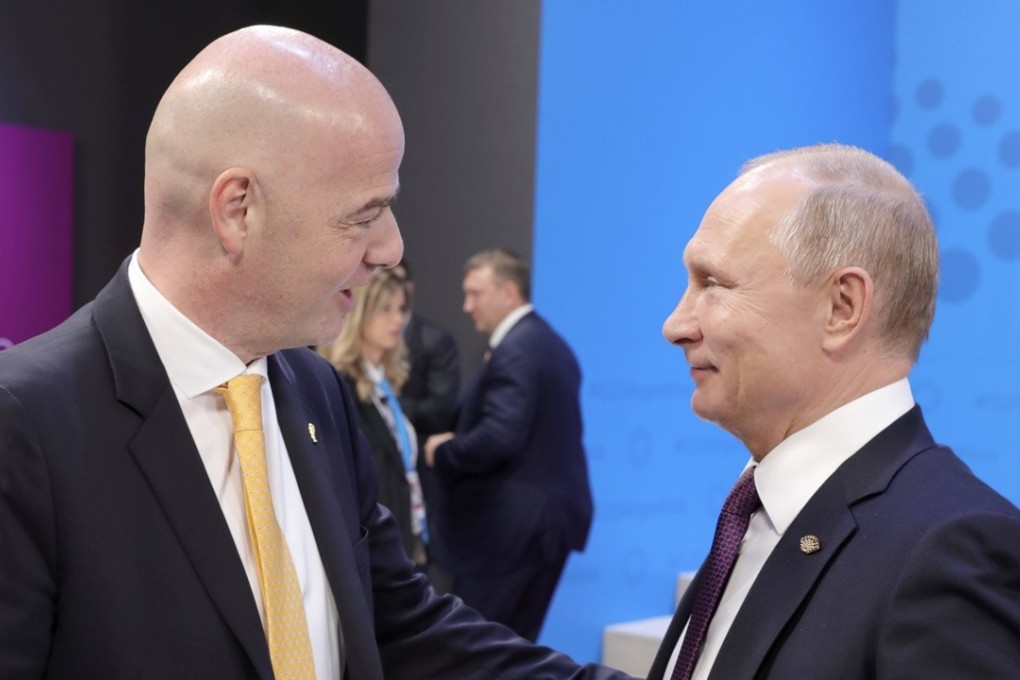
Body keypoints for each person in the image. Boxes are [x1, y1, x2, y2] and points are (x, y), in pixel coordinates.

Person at [0, 26, 635, 680]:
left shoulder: (314, 390)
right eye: (363, 216)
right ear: (238, 210)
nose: (390, 248)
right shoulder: (27, 423)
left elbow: (400, 625)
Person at [648, 143, 1020, 679]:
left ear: (842, 307)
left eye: (713, 284)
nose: (676, 325)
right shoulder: (761, 508)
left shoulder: (952, 550)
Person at [424, 248, 594, 642]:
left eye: (475, 293)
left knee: (478, 649)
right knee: (511, 649)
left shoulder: (516, 349)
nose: (467, 306)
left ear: (509, 292)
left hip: (512, 530)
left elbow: (500, 437)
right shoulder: (546, 342)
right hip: (538, 526)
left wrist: (443, 451)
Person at [317, 268, 428, 568]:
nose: (398, 320)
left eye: (401, 309)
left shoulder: (385, 383)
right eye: (385, 309)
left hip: (406, 532)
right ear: (360, 313)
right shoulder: (339, 385)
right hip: (373, 547)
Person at [391, 258, 460, 440]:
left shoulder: (434, 340)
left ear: (410, 286)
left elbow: (441, 409)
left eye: (397, 281)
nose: (391, 290)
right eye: (384, 282)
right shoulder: (346, 345)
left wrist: (386, 405)